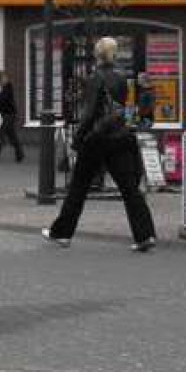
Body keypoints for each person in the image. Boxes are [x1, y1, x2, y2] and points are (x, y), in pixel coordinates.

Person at [42, 36, 157, 252]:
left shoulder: (95, 78)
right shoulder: (123, 77)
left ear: (97, 55)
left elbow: (89, 113)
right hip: (120, 136)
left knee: (78, 187)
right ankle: (145, 235)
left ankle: (62, 233)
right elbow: (125, 108)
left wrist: (77, 139)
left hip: (97, 139)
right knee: (130, 188)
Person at [0, 70, 24, 162]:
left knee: (1, 134)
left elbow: (3, 99)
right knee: (12, 136)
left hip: (10, 114)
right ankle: (20, 155)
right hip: (4, 114)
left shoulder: (8, 87)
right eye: (3, 78)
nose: (5, 80)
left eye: (5, 78)